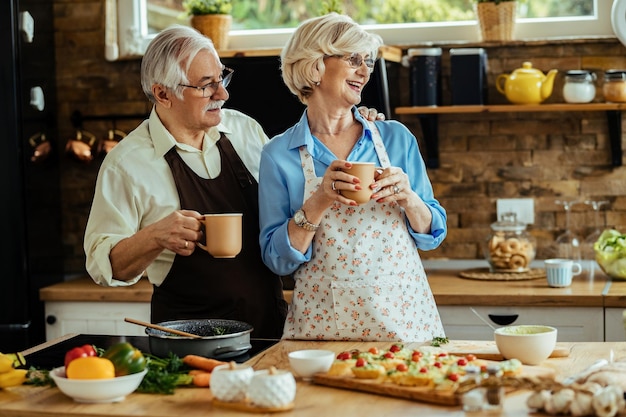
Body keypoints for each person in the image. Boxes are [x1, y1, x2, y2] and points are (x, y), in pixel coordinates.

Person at [84, 24, 384, 339]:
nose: (223, 94)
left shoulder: (245, 131)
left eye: (222, 78)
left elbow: (302, 193)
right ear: (162, 93)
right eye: (205, 85)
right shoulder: (126, 164)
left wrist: (350, 121)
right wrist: (154, 237)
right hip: (188, 342)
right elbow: (105, 267)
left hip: (268, 329)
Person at [258, 13, 448, 342]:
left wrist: (410, 199)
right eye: (354, 59)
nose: (365, 71)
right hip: (323, 332)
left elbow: (433, 232)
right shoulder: (279, 154)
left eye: (368, 62)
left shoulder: (395, 138)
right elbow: (277, 259)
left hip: (405, 326)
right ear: (316, 64)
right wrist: (318, 202)